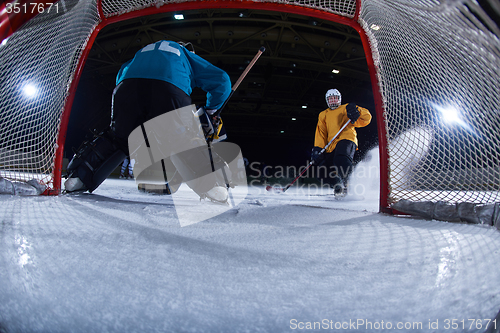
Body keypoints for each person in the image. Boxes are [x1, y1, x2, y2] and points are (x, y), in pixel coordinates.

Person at [64, 40, 232, 202]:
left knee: (118, 138)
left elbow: (122, 73)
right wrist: (211, 110)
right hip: (169, 86)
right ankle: (212, 186)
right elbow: (222, 80)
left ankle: (79, 177)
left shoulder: (144, 53)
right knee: (180, 140)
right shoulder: (185, 54)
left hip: (125, 87)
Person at [311, 88, 372, 195]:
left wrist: (357, 111)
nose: (333, 101)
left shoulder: (346, 108)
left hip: (347, 139)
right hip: (331, 146)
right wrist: (318, 149)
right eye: (330, 99)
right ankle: (338, 185)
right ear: (327, 101)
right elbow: (321, 133)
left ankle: (350, 184)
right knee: (321, 172)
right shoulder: (323, 114)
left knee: (341, 159)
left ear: (339, 99)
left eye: (335, 98)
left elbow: (367, 118)